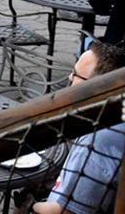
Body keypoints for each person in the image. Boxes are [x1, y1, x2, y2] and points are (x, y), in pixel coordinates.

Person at [16, 41, 125, 214]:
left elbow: (68, 211)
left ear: (94, 88)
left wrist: (26, 205)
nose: (69, 77)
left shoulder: (97, 142)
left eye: (76, 75)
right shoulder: (111, 116)